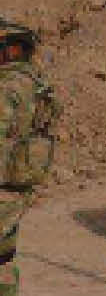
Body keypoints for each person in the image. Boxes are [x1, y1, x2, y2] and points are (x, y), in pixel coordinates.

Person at [0, 21, 55, 296]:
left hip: (3, 179)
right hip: (20, 180)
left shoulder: (8, 85)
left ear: (12, 50)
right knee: (4, 256)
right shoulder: (38, 83)